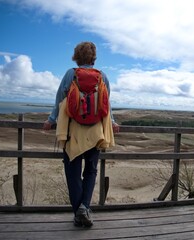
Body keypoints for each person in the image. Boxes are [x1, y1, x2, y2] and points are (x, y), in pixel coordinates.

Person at [43, 41, 119, 227]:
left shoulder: (71, 74)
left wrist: (51, 120)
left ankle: (79, 212)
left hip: (73, 131)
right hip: (95, 132)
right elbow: (106, 104)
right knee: (91, 171)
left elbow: (60, 100)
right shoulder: (103, 77)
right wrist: (113, 122)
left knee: (73, 173)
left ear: (76, 56)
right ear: (94, 58)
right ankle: (85, 207)